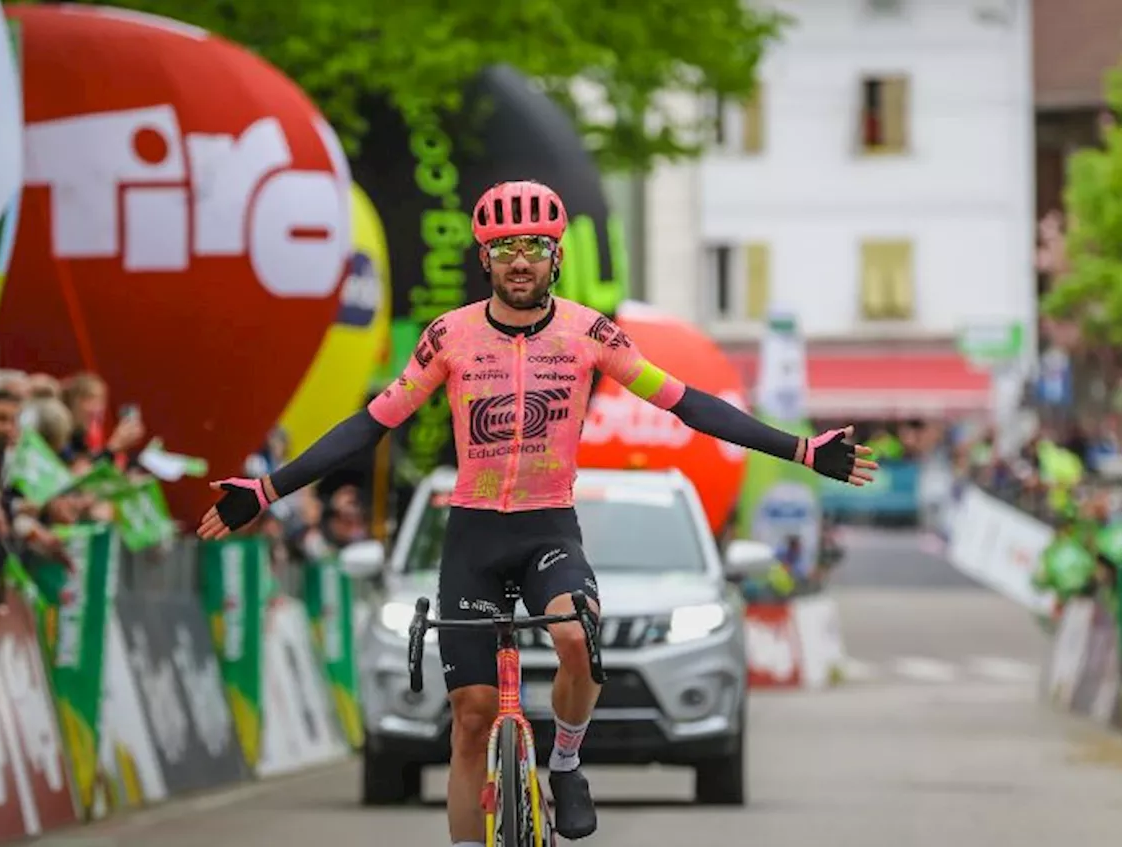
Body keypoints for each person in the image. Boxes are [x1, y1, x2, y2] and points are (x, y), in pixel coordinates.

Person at [198, 180, 878, 845]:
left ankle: (567, 762)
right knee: (469, 718)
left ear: (554, 255)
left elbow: (687, 403)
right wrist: (265, 490)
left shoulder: (591, 333)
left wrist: (800, 448)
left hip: (547, 524)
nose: (518, 260)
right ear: (483, 259)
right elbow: (369, 425)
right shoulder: (449, 337)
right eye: (503, 248)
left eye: (533, 245)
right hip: (472, 532)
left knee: (578, 639)